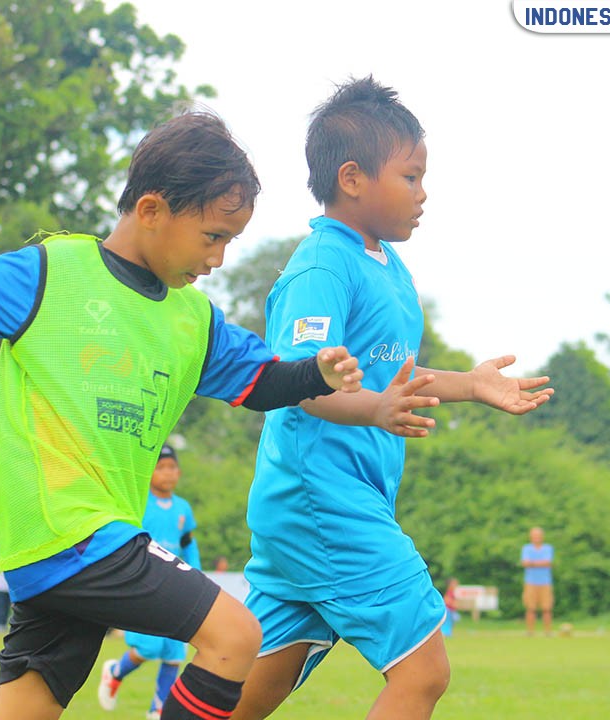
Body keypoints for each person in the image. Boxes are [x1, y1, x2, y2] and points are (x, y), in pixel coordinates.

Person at [0, 110, 362, 720]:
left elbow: (259, 380)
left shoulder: (193, 319)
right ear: (151, 210)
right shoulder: (51, 274)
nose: (221, 259)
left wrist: (315, 373)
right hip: (69, 531)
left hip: (76, 550)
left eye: (231, 241)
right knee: (235, 637)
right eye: (212, 237)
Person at [232, 77, 553, 720]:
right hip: (324, 500)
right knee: (424, 672)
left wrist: (472, 385)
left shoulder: (385, 265)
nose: (424, 192)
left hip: (328, 503)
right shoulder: (323, 267)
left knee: (251, 685)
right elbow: (301, 386)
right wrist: (376, 410)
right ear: (353, 178)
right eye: (411, 176)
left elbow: (390, 378)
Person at [98, 444, 201, 719]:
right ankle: (115, 671)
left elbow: (187, 543)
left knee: (174, 652)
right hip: (144, 582)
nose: (167, 473)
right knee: (148, 646)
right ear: (150, 471)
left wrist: (197, 572)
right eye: (161, 467)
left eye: (172, 467)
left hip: (176, 583)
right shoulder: (139, 502)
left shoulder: (183, 508)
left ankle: (157, 710)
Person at [521, 527, 555, 636]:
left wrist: (532, 563)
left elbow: (548, 562)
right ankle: (530, 631)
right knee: (530, 608)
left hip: (545, 582)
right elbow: (525, 563)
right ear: (531, 537)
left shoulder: (548, 548)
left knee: (547, 608)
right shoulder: (526, 548)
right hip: (530, 582)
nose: (536, 538)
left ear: (542, 537)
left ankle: (548, 631)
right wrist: (539, 563)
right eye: (534, 536)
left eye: (538, 536)